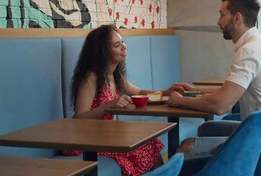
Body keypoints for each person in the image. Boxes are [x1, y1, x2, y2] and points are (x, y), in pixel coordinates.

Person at [167, 0, 261, 175]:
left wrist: (179, 101)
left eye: (221, 15)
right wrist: (196, 91)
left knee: (186, 146)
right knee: (206, 128)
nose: (218, 22)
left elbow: (221, 105)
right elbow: (230, 94)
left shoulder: (249, 51)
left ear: (237, 18)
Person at [62, 24, 186, 176]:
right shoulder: (91, 78)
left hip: (106, 136)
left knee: (149, 141)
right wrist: (107, 106)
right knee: (143, 145)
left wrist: (166, 91)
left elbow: (139, 92)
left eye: (123, 42)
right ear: (103, 52)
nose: (124, 47)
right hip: (85, 140)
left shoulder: (115, 76)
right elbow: (79, 119)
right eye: (117, 45)